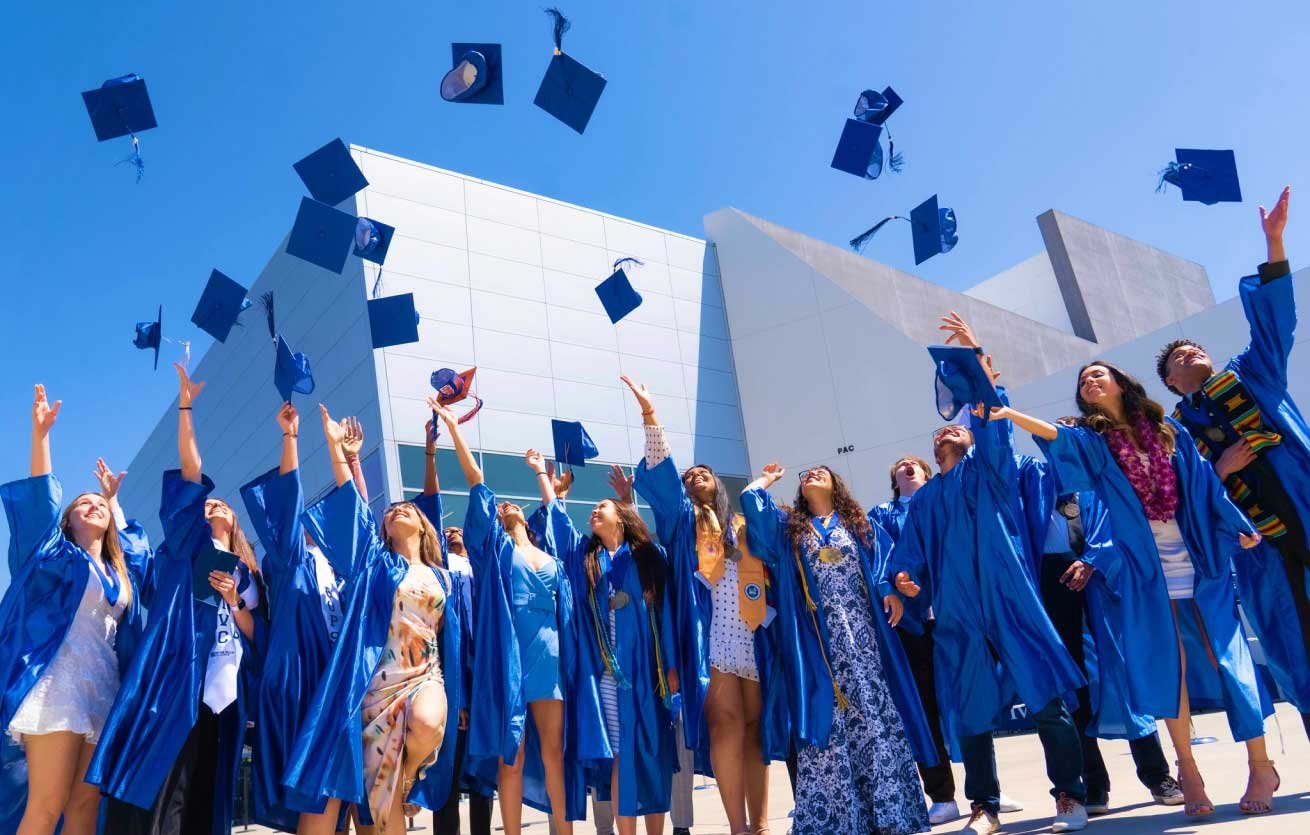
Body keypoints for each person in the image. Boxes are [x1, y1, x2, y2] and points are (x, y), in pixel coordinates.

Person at [999, 360, 1280, 816]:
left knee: (1229, 662)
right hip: (1147, 571)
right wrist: (1010, 415)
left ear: (1120, 383)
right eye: (1083, 380)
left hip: (1198, 557)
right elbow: (1058, 438)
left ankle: (1261, 764)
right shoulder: (1097, 444)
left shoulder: (1169, 431)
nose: (1090, 381)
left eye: (1098, 374)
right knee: (1169, 668)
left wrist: (1236, 524)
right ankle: (1187, 770)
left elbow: (1206, 487)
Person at [890, 319, 1088, 835]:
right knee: (974, 710)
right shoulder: (928, 499)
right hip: (958, 608)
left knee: (1044, 696)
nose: (947, 430)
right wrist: (906, 582)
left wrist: (975, 352)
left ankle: (1069, 794)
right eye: (939, 432)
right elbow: (908, 558)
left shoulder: (993, 470)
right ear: (934, 455)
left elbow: (989, 416)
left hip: (1010, 597)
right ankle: (984, 806)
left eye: (953, 426)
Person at [1156, 186, 1310, 739]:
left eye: (1193, 348)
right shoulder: (1175, 432)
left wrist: (1274, 243)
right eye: (1178, 358)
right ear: (1171, 381)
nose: (1190, 354)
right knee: (1295, 639)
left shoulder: (1249, 376)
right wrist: (1219, 471)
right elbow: (1182, 496)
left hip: (1304, 502)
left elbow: (1277, 324)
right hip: (1262, 542)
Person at [88, 365, 266, 835]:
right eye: (208, 503)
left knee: (208, 793)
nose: (214, 504)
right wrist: (186, 407)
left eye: (222, 504)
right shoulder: (187, 547)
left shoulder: (249, 573)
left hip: (226, 693)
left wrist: (236, 604)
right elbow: (191, 470)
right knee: (171, 792)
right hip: (181, 681)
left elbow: (256, 634)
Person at [283, 402, 463, 834]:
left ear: (424, 526)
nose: (396, 511)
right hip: (376, 685)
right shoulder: (377, 565)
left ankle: (410, 774)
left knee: (428, 722)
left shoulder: (444, 576)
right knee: (382, 817)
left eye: (406, 509)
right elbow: (353, 510)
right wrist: (337, 451)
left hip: (425, 674)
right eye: (389, 513)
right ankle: (397, 792)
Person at [622, 376, 784, 835]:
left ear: (718, 483)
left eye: (703, 474)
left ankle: (762, 824)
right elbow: (663, 471)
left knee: (756, 729)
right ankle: (737, 827)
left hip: (753, 631)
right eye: (689, 476)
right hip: (709, 635)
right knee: (725, 726)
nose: (695, 478)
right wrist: (651, 415)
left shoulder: (741, 523)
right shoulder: (681, 520)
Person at [741, 461, 932, 835]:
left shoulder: (858, 527)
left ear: (836, 485)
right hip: (817, 643)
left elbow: (884, 566)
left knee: (873, 718)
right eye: (806, 474)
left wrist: (891, 590)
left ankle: (889, 813)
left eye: (821, 472)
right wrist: (766, 479)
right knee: (827, 722)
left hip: (862, 639)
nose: (811, 475)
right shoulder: (788, 531)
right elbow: (751, 501)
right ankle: (840, 819)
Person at [0, 385, 152, 835]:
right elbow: (39, 509)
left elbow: (139, 556)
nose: (94, 506)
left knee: (85, 806)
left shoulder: (118, 572)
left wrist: (115, 498)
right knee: (46, 806)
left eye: (100, 505)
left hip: (104, 684)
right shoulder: (58, 559)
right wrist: (40, 437)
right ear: (69, 520)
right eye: (84, 503)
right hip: (59, 683)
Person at [436, 405, 582, 835]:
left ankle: (564, 830)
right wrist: (452, 429)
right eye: (502, 508)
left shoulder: (551, 553)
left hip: (551, 657)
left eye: (513, 506)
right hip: (510, 658)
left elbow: (556, 514)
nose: (508, 507)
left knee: (554, 752)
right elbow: (477, 483)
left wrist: (541, 473)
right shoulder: (496, 553)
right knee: (511, 753)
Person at [531, 444, 681, 835]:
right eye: (594, 508)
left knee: (651, 753)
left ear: (622, 517)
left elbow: (664, 615)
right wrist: (543, 478)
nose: (594, 511)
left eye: (603, 506)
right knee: (618, 754)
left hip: (647, 672)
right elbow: (559, 524)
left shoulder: (648, 555)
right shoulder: (586, 557)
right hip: (607, 674)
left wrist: (671, 668)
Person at [239, 403, 359, 834]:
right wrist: (291, 437)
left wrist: (349, 457)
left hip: (337, 678)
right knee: (318, 791)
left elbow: (356, 518)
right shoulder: (292, 561)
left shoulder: (341, 571)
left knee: (338, 797)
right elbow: (289, 500)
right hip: (306, 680)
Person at [1029, 488, 1182, 813]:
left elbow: (1119, 527)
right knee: (1074, 685)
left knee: (1122, 678)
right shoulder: (1035, 480)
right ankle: (1094, 783)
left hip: (1102, 580)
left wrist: (1093, 561)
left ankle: (1157, 775)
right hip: (1053, 582)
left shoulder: (1095, 481)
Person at [868, 455, 959, 825]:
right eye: (900, 465)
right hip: (913, 625)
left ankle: (987, 790)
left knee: (969, 702)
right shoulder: (882, 514)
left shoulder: (946, 500)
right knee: (923, 709)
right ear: (896, 478)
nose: (907, 465)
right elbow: (880, 559)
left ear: (926, 471)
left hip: (956, 615)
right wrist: (893, 587)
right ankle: (942, 795)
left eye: (914, 462)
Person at [425, 423, 495, 835]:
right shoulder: (440, 569)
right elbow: (431, 501)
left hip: (480, 672)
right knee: (446, 772)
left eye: (459, 528)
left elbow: (479, 487)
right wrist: (431, 454)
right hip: (448, 673)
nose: (452, 531)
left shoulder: (484, 568)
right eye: (445, 529)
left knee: (482, 776)